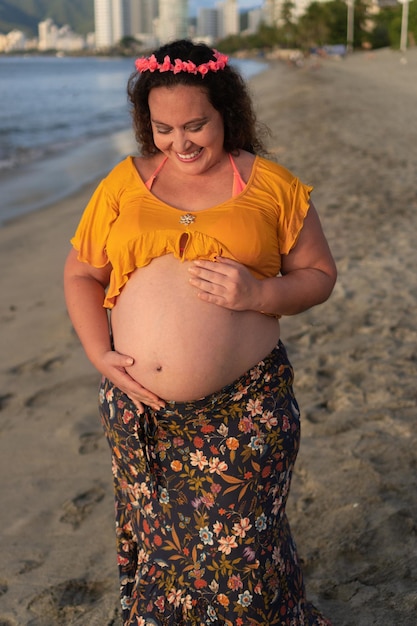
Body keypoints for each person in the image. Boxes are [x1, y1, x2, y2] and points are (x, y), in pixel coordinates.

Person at [64, 39, 336, 626]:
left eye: (196, 125)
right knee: (162, 549)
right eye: (163, 128)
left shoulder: (273, 186)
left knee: (244, 557)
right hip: (143, 408)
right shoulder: (122, 182)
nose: (180, 143)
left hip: (247, 407)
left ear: (225, 114)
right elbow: (83, 273)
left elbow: (318, 275)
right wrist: (99, 354)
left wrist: (261, 294)